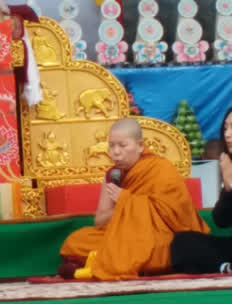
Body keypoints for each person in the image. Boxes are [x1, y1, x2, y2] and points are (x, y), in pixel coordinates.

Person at [58, 118, 209, 280]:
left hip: (155, 236)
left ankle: (102, 261)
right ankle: (113, 260)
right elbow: (100, 221)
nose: (115, 152)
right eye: (111, 145)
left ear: (140, 146)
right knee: (75, 242)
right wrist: (122, 205)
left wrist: (126, 199)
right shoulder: (112, 176)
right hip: (120, 236)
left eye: (122, 145)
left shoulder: (161, 169)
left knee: (163, 248)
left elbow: (179, 216)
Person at [171, 107, 232, 274]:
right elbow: (221, 221)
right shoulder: (228, 165)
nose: (227, 134)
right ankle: (225, 268)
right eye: (226, 128)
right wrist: (227, 189)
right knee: (183, 242)